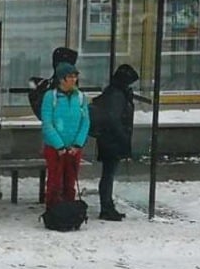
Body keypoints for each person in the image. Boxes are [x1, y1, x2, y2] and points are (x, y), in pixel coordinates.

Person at [41, 62, 90, 209]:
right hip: (55, 148)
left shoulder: (80, 97)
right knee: (55, 181)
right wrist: (59, 145)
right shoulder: (51, 97)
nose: (74, 80)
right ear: (61, 79)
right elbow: (47, 123)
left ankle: (69, 210)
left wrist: (77, 144)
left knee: (70, 181)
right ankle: (53, 210)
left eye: (75, 76)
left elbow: (85, 122)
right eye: (70, 77)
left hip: (74, 147)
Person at [96, 63, 139, 221]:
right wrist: (123, 137)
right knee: (108, 174)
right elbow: (114, 119)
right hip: (111, 140)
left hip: (110, 138)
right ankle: (106, 207)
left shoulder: (115, 92)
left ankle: (108, 206)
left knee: (108, 174)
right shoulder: (116, 94)